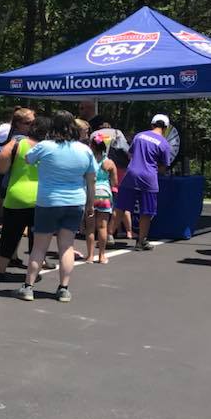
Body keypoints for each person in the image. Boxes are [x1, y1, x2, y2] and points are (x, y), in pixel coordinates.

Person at [15, 111, 95, 303]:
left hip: (48, 202)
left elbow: (27, 158)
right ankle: (63, 289)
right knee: (67, 246)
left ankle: (28, 287)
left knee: (39, 246)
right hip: (75, 201)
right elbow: (90, 180)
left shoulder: (45, 146)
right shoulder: (85, 150)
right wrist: (90, 204)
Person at [0, 116, 51, 279]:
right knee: (38, 239)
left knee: (9, 235)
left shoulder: (17, 143)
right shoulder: (51, 148)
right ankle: (33, 275)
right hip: (42, 197)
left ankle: (0, 271)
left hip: (16, 196)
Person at [115, 114, 172, 251]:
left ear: (152, 124)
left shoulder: (139, 136)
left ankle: (108, 235)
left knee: (121, 206)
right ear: (165, 128)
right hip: (149, 178)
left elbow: (130, 154)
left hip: (131, 174)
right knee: (147, 211)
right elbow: (163, 167)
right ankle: (141, 241)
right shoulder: (164, 143)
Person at [88, 130, 118, 264]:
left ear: (92, 146)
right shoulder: (109, 162)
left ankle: (90, 256)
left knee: (90, 227)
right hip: (105, 194)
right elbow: (115, 182)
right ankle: (102, 255)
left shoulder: (88, 161)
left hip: (91, 193)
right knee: (102, 227)